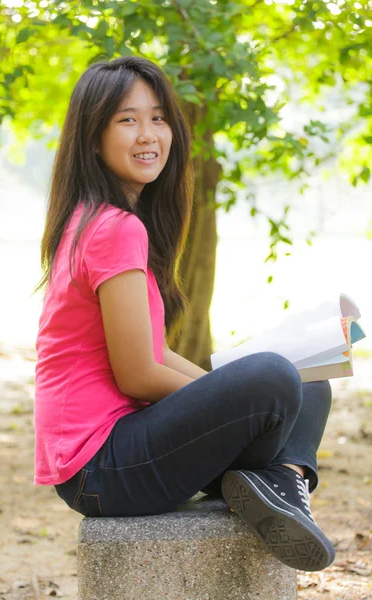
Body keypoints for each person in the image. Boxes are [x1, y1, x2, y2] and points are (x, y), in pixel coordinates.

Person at [33, 56, 335, 573]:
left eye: (158, 117)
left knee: (308, 382)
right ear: (92, 137)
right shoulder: (113, 228)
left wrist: (235, 393)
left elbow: (156, 352)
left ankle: (277, 481)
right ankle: (282, 479)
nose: (148, 134)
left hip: (122, 449)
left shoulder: (100, 218)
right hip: (101, 468)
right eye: (127, 119)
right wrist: (250, 395)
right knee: (275, 377)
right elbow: (138, 374)